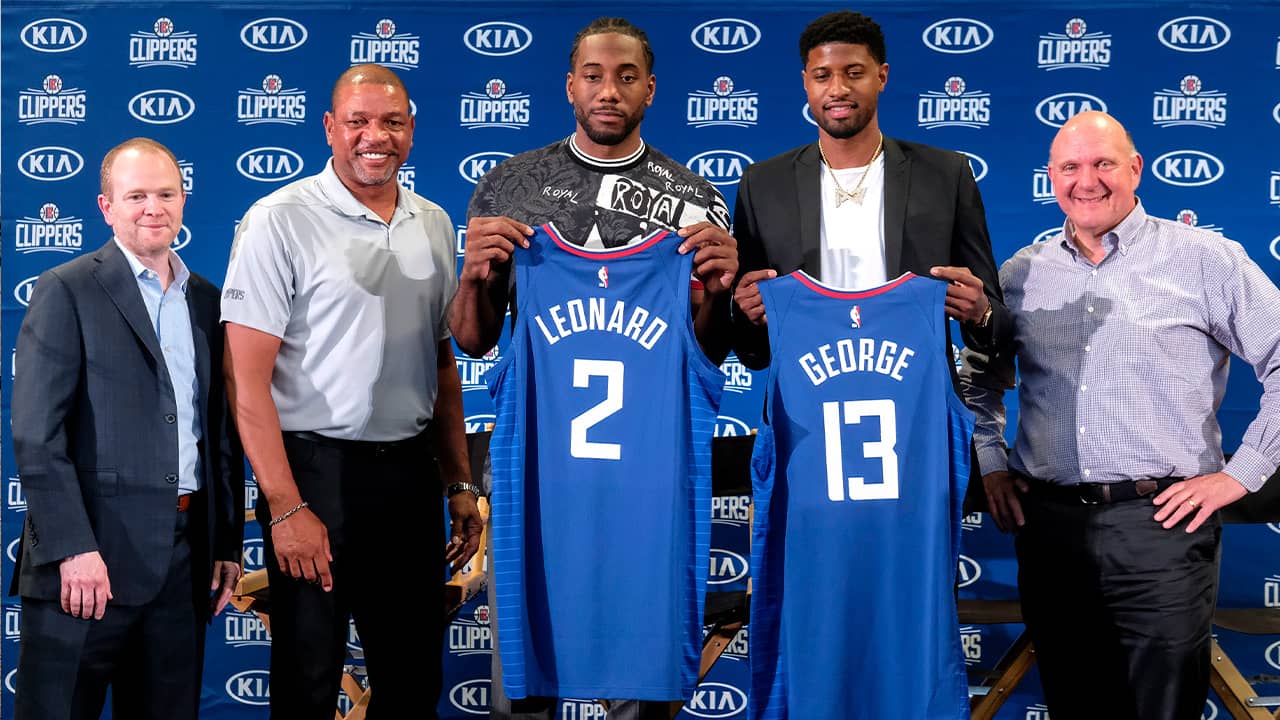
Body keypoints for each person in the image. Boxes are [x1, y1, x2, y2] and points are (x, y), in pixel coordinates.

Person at [449, 17, 738, 720]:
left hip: (649, 484)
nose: (609, 91)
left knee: (643, 697)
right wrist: (474, 275)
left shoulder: (696, 203)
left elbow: (708, 353)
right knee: (525, 687)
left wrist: (721, 292)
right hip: (538, 480)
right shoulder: (509, 188)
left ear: (650, 89)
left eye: (627, 77)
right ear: (571, 84)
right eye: (595, 75)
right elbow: (474, 341)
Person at [959, 110, 1280, 719]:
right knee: (1074, 703)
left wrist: (1242, 473)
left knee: (1161, 708)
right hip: (1048, 527)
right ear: (1050, 177)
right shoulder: (1021, 275)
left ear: (1135, 168)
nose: (1088, 180)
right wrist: (993, 463)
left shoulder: (1205, 259)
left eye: (1104, 163)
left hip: (1161, 527)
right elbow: (979, 383)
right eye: (1071, 167)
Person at [221, 64, 482, 719]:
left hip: (410, 478)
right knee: (309, 679)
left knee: (413, 678)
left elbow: (442, 363)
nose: (376, 137)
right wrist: (284, 507)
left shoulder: (434, 222)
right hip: (315, 476)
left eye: (392, 122)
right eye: (359, 122)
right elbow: (244, 380)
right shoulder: (277, 220)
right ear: (330, 129)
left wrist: (456, 481)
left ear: (412, 132)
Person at [10, 137, 244, 720]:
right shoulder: (65, 289)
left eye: (165, 194)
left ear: (183, 200)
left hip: (184, 565)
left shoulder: (207, 301)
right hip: (86, 566)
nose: (153, 208)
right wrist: (74, 550)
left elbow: (216, 432)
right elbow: (38, 435)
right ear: (106, 207)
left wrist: (224, 544)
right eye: (136, 195)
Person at [731, 10, 1007, 370]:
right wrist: (746, 315)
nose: (838, 89)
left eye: (854, 73)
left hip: (917, 402)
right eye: (822, 75)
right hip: (804, 406)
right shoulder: (763, 184)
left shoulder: (944, 175)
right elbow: (753, 353)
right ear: (805, 82)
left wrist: (980, 313)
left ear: (882, 76)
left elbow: (997, 324)